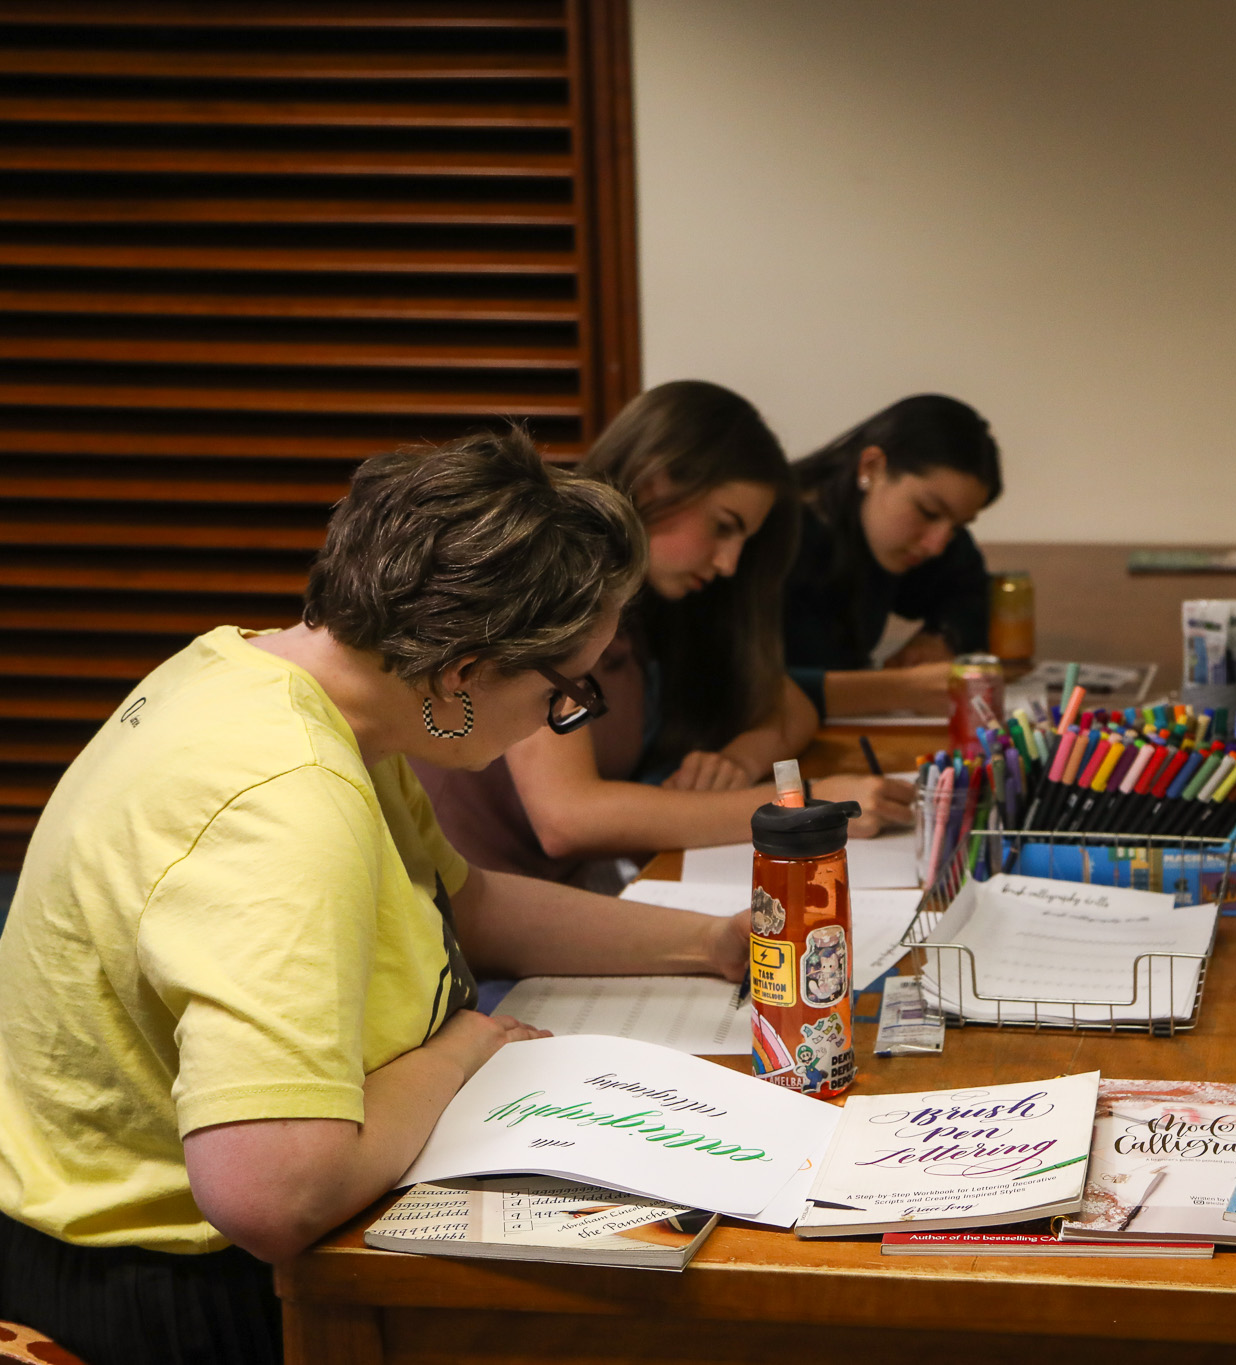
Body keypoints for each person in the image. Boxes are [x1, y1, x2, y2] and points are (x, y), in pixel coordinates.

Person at [0, 430, 748, 1365]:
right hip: (188, 1291)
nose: (564, 717)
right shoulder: (282, 799)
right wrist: (465, 1048)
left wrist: (710, 940)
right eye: (564, 691)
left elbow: (465, 907)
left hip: (195, 1245)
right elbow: (268, 1194)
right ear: (464, 673)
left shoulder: (274, 681)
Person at [415, 382, 910, 887]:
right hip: (467, 917)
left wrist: (738, 761)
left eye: (744, 540)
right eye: (723, 526)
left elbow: (791, 706)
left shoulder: (660, 598)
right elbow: (567, 817)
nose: (729, 562)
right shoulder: (549, 575)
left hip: (560, 892)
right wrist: (801, 804)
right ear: (654, 480)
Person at [783, 394, 1003, 718]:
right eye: (928, 512)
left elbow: (974, 592)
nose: (937, 545)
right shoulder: (775, 537)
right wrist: (902, 688)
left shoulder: (900, 532)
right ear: (872, 467)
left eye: (956, 526)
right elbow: (742, 692)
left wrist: (942, 637)